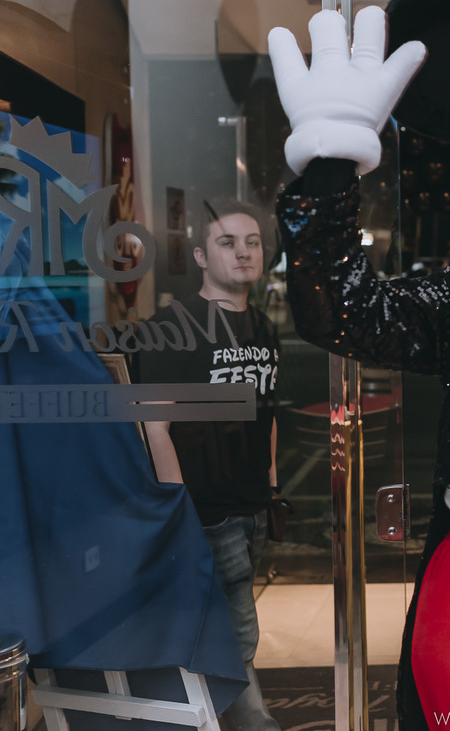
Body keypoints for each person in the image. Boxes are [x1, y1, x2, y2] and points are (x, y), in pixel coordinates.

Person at [137, 198, 281, 731]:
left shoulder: (262, 326)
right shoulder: (173, 327)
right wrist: (177, 509)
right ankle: (253, 722)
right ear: (200, 255)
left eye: (252, 242)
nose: (243, 253)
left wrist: (272, 488)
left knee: (232, 619)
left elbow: (267, 412)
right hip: (205, 509)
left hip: (252, 504)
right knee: (237, 626)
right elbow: (155, 427)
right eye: (227, 243)